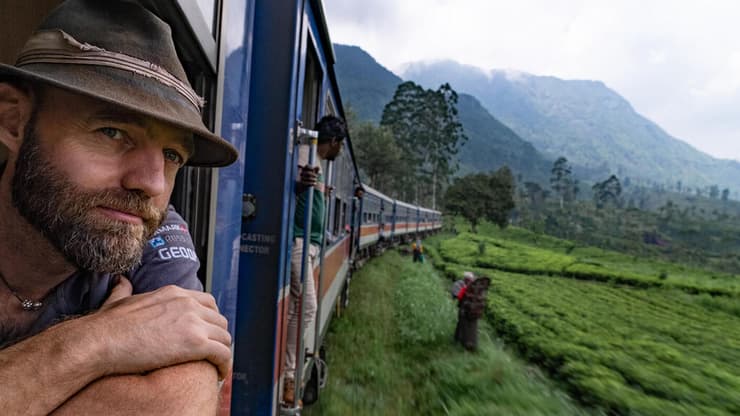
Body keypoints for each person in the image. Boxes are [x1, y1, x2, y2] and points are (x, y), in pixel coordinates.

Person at [0, 1, 239, 414]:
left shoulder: (147, 229)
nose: (151, 184)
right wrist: (97, 340)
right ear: (13, 122)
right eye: (112, 132)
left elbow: (178, 402)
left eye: (172, 155)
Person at [284, 115, 347, 405]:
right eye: (339, 145)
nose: (339, 151)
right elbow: (292, 187)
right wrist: (301, 184)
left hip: (309, 243)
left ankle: (289, 370)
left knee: (301, 305)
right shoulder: (306, 154)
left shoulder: (319, 163)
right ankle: (288, 374)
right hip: (299, 240)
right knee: (307, 306)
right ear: (333, 141)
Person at [453, 274, 491, 351]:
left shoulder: (468, 288)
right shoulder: (482, 290)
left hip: (467, 310)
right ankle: (470, 344)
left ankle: (465, 343)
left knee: (465, 327)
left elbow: (461, 297)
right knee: (472, 329)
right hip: (476, 312)